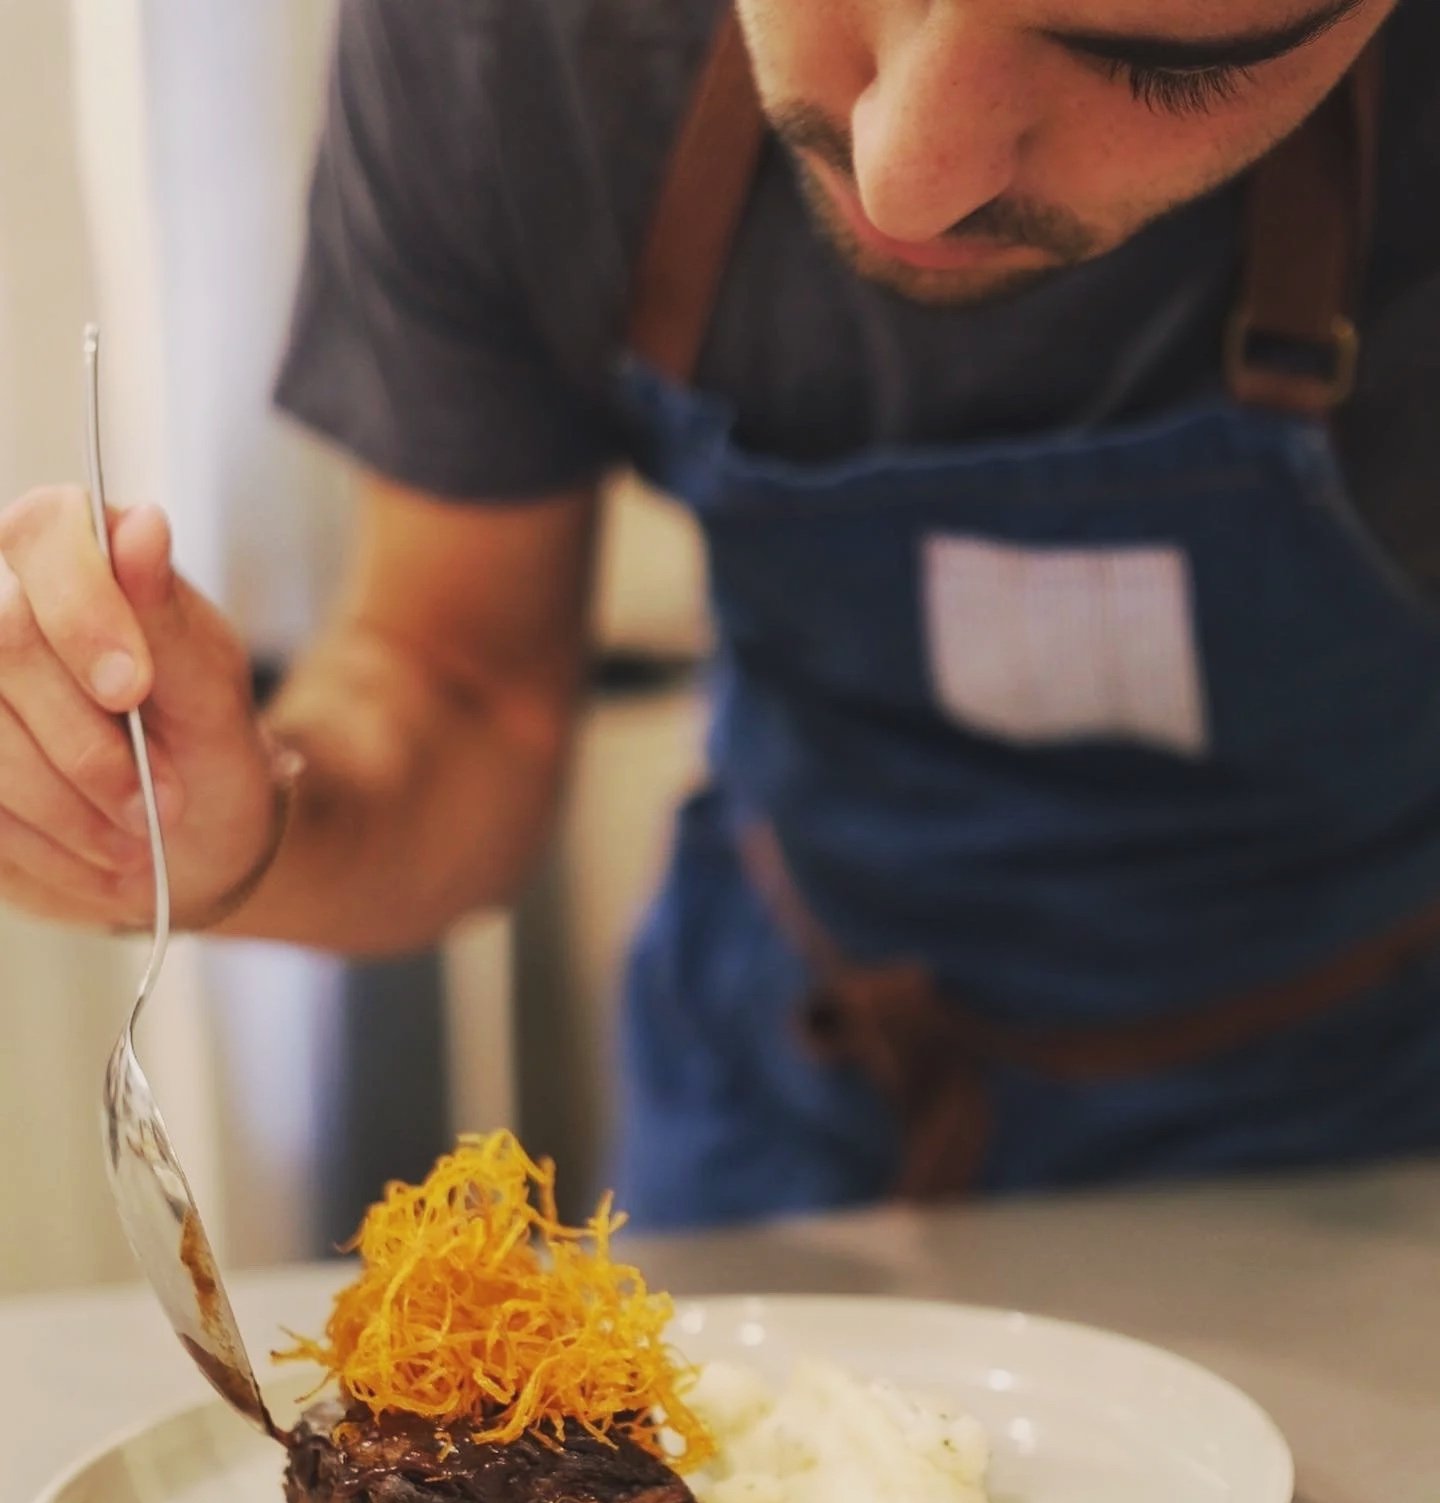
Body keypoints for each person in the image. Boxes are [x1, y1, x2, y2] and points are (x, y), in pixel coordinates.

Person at [2, 0, 1439, 1227]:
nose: (907, 169)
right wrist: (224, 831)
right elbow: (454, 688)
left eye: (1160, 66)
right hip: (786, 1113)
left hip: (1373, 1132)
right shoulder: (524, 38)